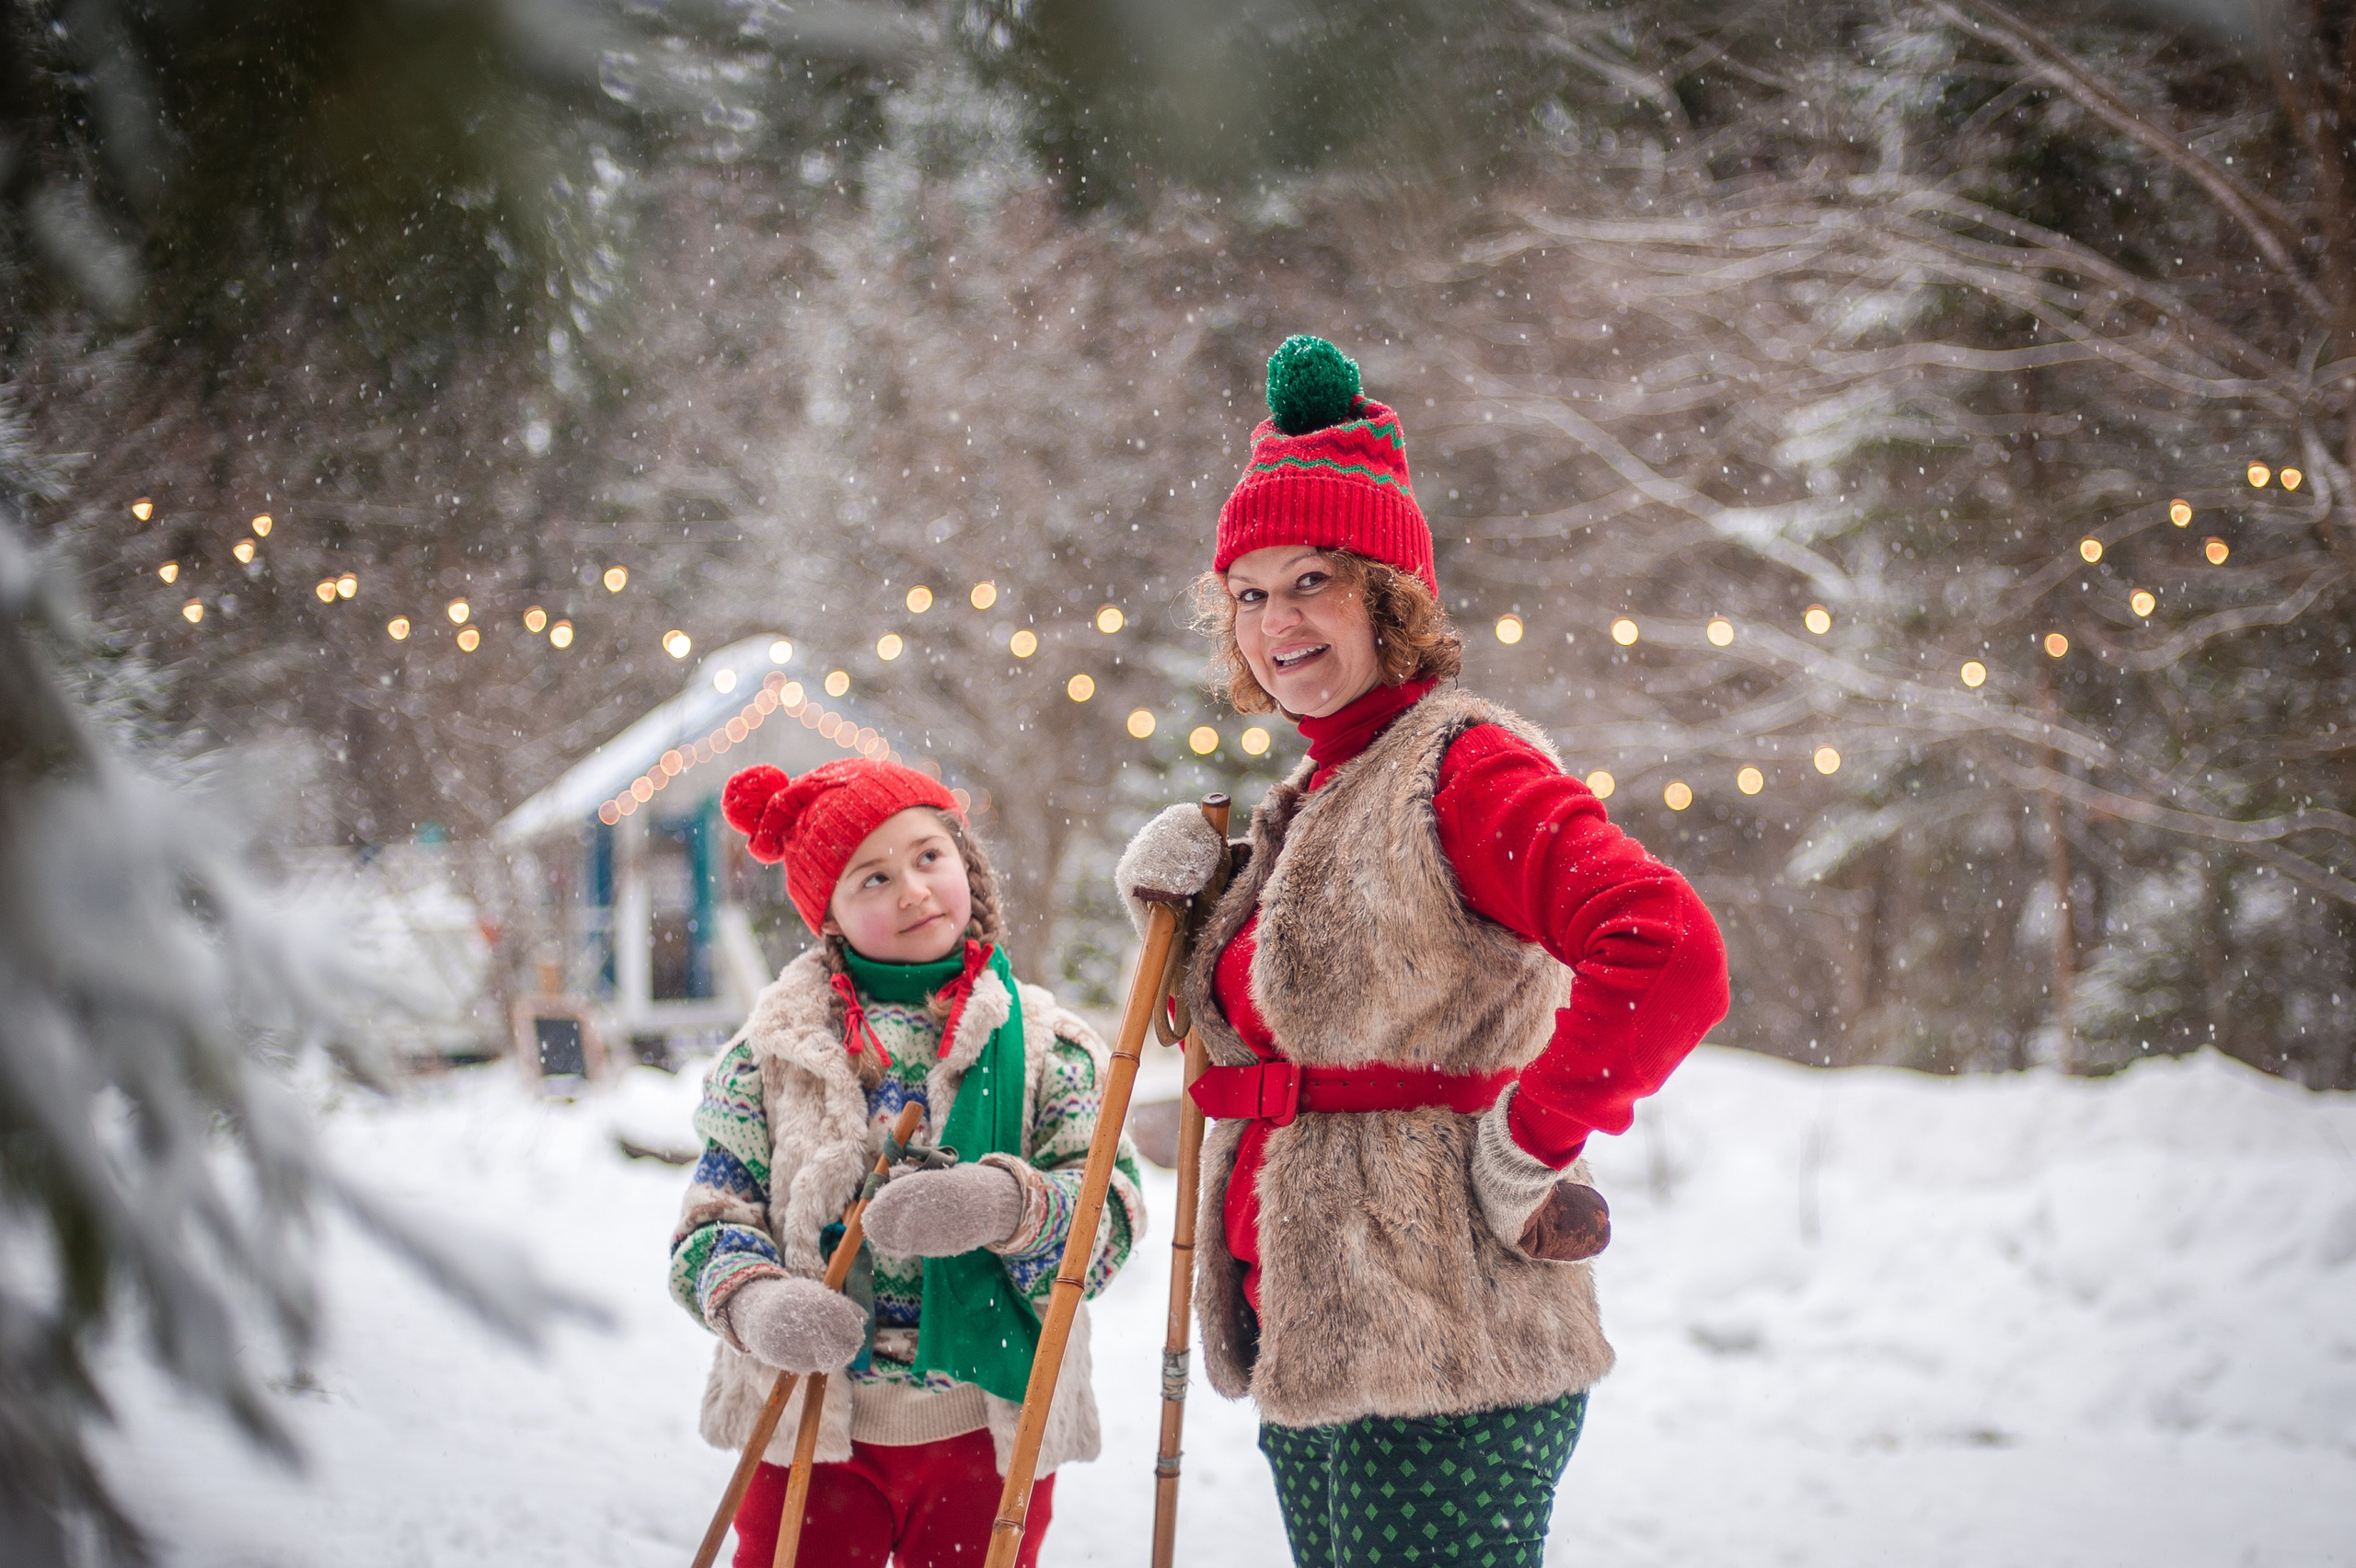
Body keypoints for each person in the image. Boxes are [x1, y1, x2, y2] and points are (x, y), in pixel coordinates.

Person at [1115, 335, 1729, 1568]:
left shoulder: (1461, 764)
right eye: (1248, 593)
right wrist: (1173, 926)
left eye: (1312, 582)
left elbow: (1669, 954)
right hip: (1319, 1347)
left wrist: (1531, 1139)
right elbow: (1284, 1033)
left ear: (1389, 599)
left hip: (1446, 1348)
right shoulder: (1316, 793)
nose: (1275, 621)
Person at [672, 757, 1144, 1568]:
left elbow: (1112, 1218)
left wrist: (1005, 1206)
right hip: (808, 1433)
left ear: (966, 861)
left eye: (929, 856)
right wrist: (757, 1305)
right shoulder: (770, 1057)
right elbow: (709, 1228)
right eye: (872, 878)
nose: (914, 890)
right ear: (829, 916)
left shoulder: (1048, 1046)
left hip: (988, 1433)